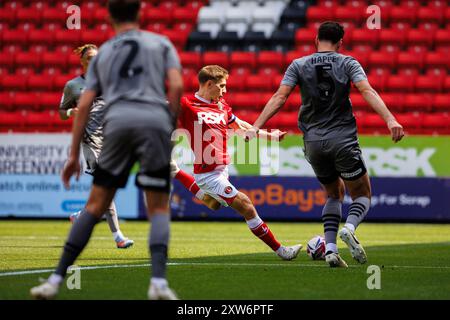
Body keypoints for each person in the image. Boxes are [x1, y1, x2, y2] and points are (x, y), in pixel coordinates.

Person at [30, 0, 183, 299]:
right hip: (152, 121)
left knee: (95, 205)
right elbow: (176, 86)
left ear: (109, 17)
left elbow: (84, 105)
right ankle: (158, 284)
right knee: (159, 208)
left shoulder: (105, 53)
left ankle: (55, 280)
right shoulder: (161, 43)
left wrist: (73, 154)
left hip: (117, 124)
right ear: (139, 14)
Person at [245, 21, 404, 268]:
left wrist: (255, 126)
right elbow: (367, 90)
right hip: (343, 139)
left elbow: (280, 97)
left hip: (313, 141)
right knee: (362, 193)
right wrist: (390, 119)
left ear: (316, 39)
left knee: (333, 193)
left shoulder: (298, 64)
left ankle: (330, 250)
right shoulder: (348, 62)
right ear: (340, 43)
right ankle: (349, 228)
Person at [178, 65, 302, 260]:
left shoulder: (222, 106)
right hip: (208, 174)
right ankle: (282, 251)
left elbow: (240, 125)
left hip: (221, 171)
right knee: (246, 205)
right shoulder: (187, 105)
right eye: (222, 86)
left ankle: (175, 172)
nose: (225, 90)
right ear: (209, 84)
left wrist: (269, 135)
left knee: (214, 204)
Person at [59, 43, 134, 249]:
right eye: (90, 58)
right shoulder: (73, 86)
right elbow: (61, 112)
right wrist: (70, 113)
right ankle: (118, 237)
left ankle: (81, 214)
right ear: (82, 61)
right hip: (90, 141)